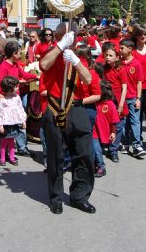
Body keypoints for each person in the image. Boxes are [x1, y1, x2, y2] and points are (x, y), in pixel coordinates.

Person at [40, 24, 95, 215]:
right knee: (56, 156)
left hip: (77, 109)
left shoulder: (78, 56)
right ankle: (56, 197)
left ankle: (80, 196)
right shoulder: (53, 52)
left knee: (85, 155)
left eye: (74, 36)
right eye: (67, 36)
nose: (73, 39)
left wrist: (76, 61)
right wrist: (60, 46)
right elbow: (44, 65)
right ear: (59, 36)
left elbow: (88, 80)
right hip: (56, 107)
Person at [0, 41, 38, 156]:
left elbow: (23, 74)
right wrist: (0, 93)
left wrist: (36, 77)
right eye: (19, 53)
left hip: (15, 98)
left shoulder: (16, 64)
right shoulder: (4, 66)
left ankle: (21, 147)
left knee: (20, 120)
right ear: (13, 54)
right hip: (7, 100)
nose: (21, 55)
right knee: (7, 125)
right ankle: (5, 150)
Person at [118, 38, 146, 158]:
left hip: (133, 98)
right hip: (122, 99)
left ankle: (137, 145)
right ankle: (125, 143)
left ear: (129, 49)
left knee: (135, 121)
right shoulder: (118, 63)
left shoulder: (137, 64)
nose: (119, 50)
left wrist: (138, 98)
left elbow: (139, 82)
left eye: (122, 48)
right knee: (124, 122)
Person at [102, 41, 128, 163]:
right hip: (107, 100)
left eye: (111, 55)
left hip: (118, 100)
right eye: (106, 55)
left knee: (118, 126)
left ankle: (113, 150)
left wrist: (121, 104)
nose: (108, 58)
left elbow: (124, 88)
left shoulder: (121, 69)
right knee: (106, 125)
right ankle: (105, 145)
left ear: (117, 57)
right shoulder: (103, 68)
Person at [0, 76, 26, 166]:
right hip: (6, 124)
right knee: (4, 142)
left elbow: (21, 109)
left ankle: (12, 157)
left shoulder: (17, 97)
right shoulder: (1, 101)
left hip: (14, 123)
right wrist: (0, 125)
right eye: (16, 86)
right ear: (9, 88)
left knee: (12, 141)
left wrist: (23, 120)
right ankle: (2, 158)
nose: (18, 88)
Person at [93, 81, 119, 177]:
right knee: (95, 149)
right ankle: (100, 166)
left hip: (104, 131)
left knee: (98, 149)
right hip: (94, 131)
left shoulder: (110, 105)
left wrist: (113, 132)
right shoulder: (95, 102)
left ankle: (99, 166)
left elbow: (113, 121)